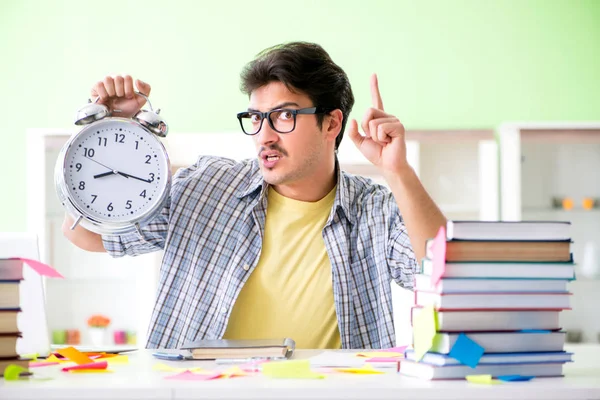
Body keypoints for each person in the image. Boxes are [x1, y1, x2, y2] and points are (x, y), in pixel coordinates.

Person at [63, 41, 446, 350]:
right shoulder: (205, 187)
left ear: (331, 123)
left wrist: (398, 171)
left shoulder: (376, 210)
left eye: (283, 116)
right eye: (257, 118)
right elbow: (83, 233)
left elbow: (447, 278)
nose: (264, 135)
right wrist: (112, 129)